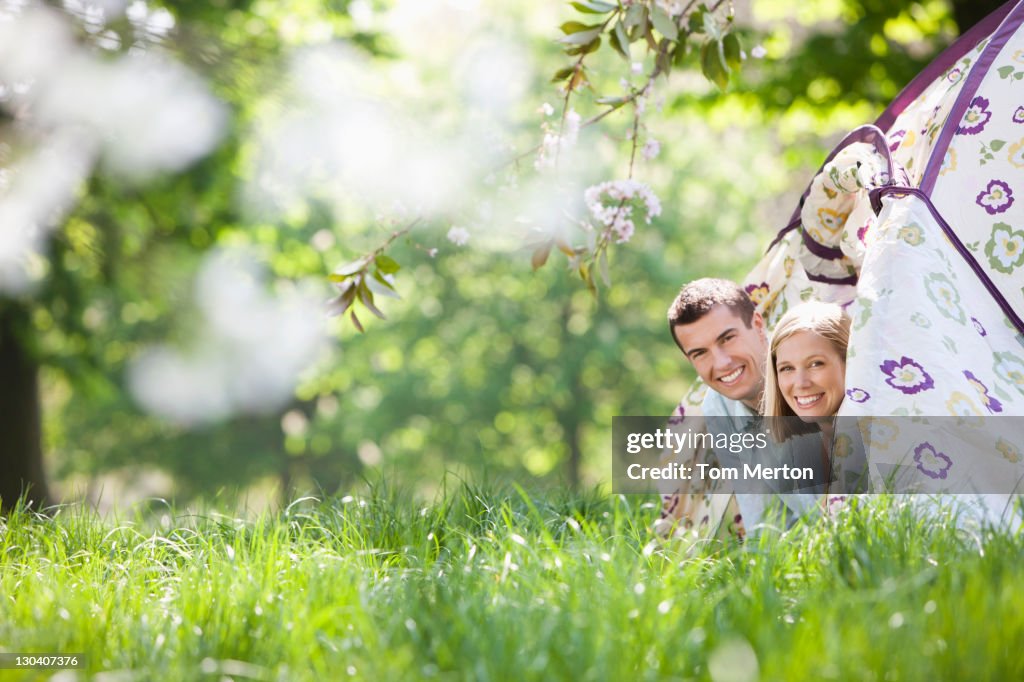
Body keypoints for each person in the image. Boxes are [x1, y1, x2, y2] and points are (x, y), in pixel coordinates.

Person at [661, 278, 771, 538]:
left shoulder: (805, 375)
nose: (721, 363)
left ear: (757, 325)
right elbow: (761, 517)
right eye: (700, 353)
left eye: (728, 338)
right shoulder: (717, 406)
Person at [762, 301, 858, 499]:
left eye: (816, 364)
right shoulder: (789, 454)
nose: (801, 383)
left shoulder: (879, 441)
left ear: (850, 361)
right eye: (787, 368)